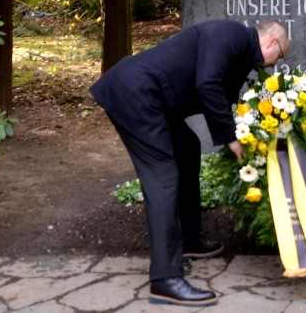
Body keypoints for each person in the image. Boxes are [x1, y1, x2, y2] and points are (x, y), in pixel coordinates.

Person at [89, 19, 290, 307]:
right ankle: (165, 279)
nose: (273, 65)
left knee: (187, 146)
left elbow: (223, 95)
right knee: (163, 176)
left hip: (153, 98)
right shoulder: (230, 33)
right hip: (137, 93)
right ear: (272, 41)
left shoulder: (241, 52)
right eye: (279, 56)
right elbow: (207, 82)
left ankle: (188, 239)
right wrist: (230, 138)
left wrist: (250, 131)